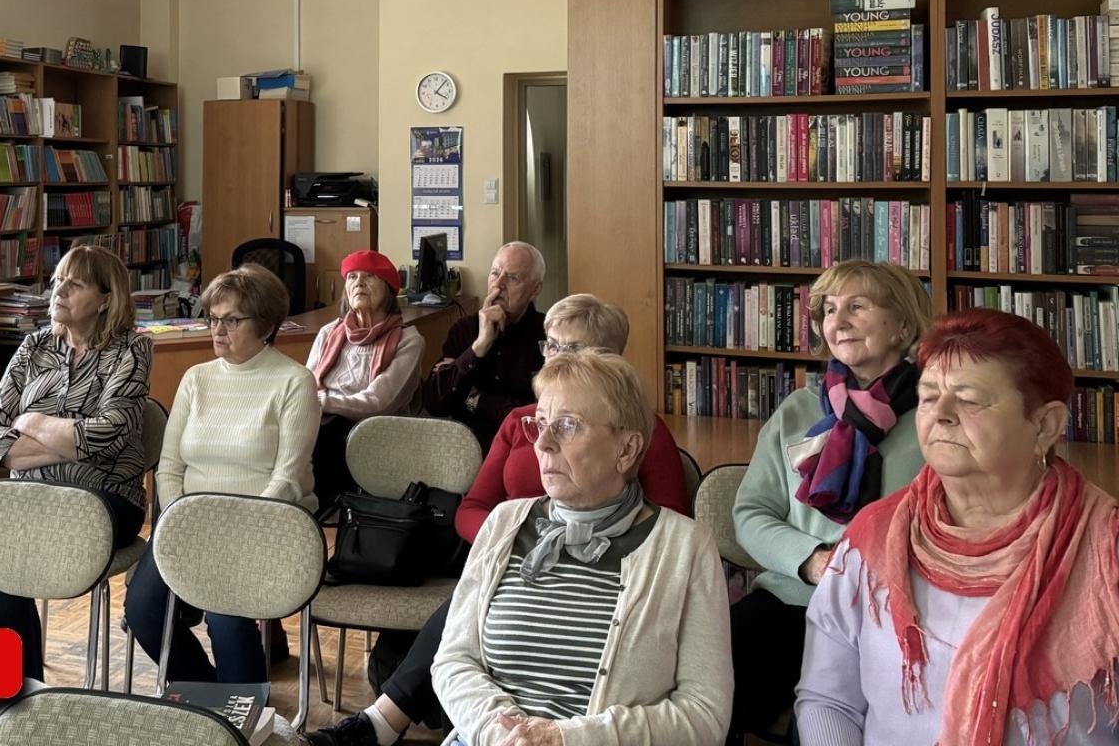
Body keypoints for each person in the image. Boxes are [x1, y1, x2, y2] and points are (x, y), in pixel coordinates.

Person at [312, 292, 694, 746]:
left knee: (468, 617)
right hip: (506, 560)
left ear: (606, 359)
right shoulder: (522, 422)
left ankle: (383, 721)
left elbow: (666, 530)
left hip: (598, 566)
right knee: (469, 619)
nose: (552, 357)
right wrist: (507, 541)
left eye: (568, 349)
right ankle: (387, 722)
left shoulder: (637, 434)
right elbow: (474, 507)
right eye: (548, 345)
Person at [796, 309, 1119, 745]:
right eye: (929, 397)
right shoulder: (873, 538)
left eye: (968, 399)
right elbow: (828, 701)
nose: (941, 415)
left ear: (1045, 424)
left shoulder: (1106, 548)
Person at [432, 350, 732, 745]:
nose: (542, 444)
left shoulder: (685, 548)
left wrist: (568, 737)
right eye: (539, 423)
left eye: (567, 425)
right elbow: (454, 661)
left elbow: (704, 715)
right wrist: (503, 735)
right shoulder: (504, 523)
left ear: (626, 450)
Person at [0, 244, 151, 680]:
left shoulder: (131, 351)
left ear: (106, 299)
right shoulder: (34, 347)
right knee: (0, 532)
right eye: (57, 281)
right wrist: (68, 437)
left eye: (75, 283)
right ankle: (17, 683)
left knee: (1, 529)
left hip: (106, 500)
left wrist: (32, 423)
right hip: (29, 498)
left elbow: (107, 435)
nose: (59, 291)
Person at [728, 259, 932, 740]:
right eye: (829, 310)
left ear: (903, 325)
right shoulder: (798, 409)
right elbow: (750, 512)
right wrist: (813, 561)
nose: (837, 322)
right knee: (711, 686)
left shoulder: (935, 414)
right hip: (794, 598)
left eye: (857, 307)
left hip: (894, 610)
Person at [125, 263, 320, 684]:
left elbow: (285, 480)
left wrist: (229, 532)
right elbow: (171, 466)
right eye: (213, 318)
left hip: (264, 527)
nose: (218, 329)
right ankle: (206, 697)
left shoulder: (294, 382)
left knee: (225, 614)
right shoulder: (197, 379)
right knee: (143, 610)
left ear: (266, 325)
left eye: (231, 320)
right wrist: (181, 521)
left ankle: (245, 714)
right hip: (190, 525)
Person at [305, 248, 425, 510]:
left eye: (369, 277)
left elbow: (378, 402)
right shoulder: (328, 333)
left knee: (326, 437)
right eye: (352, 277)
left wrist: (324, 402)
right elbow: (307, 385)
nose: (358, 283)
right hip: (322, 423)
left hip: (375, 430)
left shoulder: (408, 340)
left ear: (389, 288)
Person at [424, 242, 546, 452]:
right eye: (494, 273)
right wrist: (479, 347)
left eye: (512, 278)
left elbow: (538, 416)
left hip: (524, 448)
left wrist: (475, 400)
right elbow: (436, 403)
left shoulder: (547, 334)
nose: (498, 285)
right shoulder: (465, 329)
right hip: (466, 448)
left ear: (535, 290)